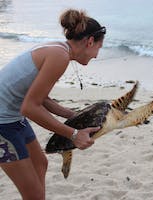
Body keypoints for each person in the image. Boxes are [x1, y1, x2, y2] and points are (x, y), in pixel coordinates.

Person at [0, 9, 106, 200]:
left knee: (40, 164)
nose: (97, 55)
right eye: (99, 47)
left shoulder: (58, 48)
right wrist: (74, 135)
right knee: (34, 195)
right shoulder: (60, 57)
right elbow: (30, 107)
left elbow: (43, 99)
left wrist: (72, 116)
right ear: (90, 41)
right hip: (2, 123)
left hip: (12, 117)